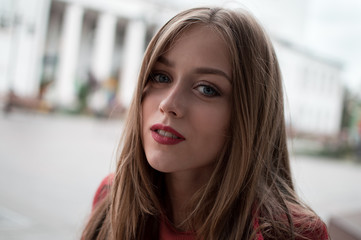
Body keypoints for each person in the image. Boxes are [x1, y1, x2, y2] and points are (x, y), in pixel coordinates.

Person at [82, 7, 329, 240]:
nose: (169, 104)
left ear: (248, 116)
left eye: (206, 89)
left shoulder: (293, 234)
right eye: (161, 76)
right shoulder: (111, 199)